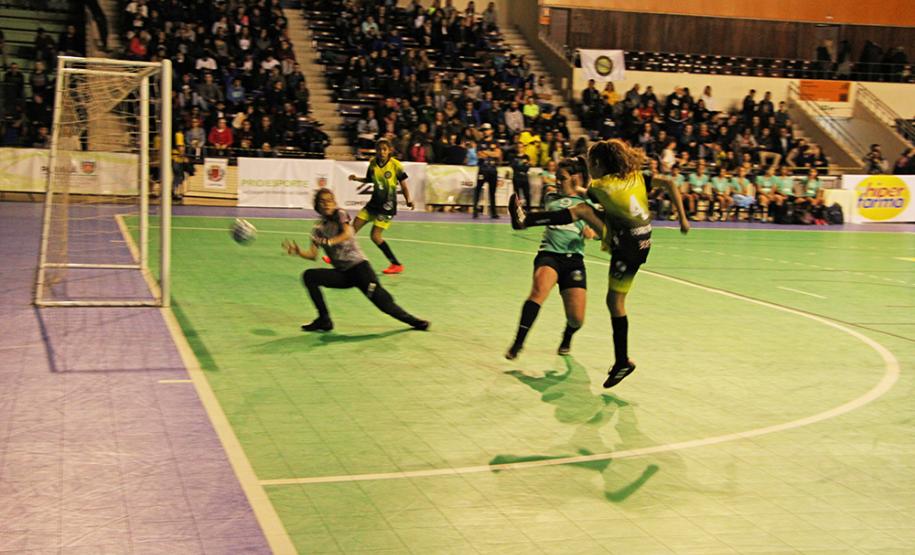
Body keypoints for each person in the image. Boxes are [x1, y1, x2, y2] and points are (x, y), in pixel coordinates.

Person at [508, 139, 690, 388]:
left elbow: (584, 199)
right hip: (644, 243)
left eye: (591, 164)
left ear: (598, 164)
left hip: (625, 244)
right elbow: (669, 183)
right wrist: (683, 219)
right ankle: (621, 361)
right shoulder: (637, 176)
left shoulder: (601, 186)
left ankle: (525, 220)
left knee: (582, 211)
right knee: (615, 302)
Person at [283, 188, 429, 332]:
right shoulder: (318, 229)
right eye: (322, 201)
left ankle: (415, 322)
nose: (327, 204)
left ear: (334, 203)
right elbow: (312, 254)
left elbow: (348, 232)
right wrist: (298, 252)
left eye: (330, 200)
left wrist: (330, 242)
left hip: (360, 269)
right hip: (343, 274)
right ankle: (324, 320)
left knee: (384, 304)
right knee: (309, 276)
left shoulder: (340, 214)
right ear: (317, 206)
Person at [506, 156, 596, 360]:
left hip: (574, 260)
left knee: (577, 319)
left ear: (575, 178)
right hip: (550, 255)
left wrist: (592, 232)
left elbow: (599, 226)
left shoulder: (587, 202)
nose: (556, 181)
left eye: (561, 177)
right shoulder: (551, 198)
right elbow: (564, 213)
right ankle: (518, 343)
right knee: (538, 292)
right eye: (556, 176)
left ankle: (567, 336)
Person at [347, 138, 415, 274]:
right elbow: (369, 179)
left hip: (387, 206)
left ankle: (396, 264)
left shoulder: (395, 165)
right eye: (379, 149)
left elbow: (404, 185)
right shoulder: (373, 163)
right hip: (373, 203)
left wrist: (408, 200)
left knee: (375, 237)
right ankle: (340, 256)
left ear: (390, 150)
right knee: (351, 230)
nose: (382, 152)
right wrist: (356, 179)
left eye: (385, 149)